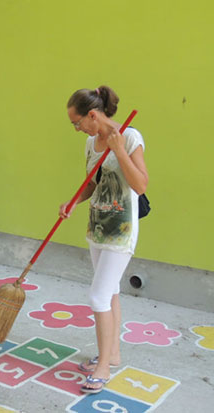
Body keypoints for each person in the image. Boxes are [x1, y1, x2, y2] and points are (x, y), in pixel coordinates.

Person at [60, 86, 148, 393]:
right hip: (97, 226)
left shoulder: (131, 137)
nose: (77, 128)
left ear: (93, 115)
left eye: (77, 122)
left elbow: (140, 184)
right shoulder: (90, 142)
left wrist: (120, 149)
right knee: (109, 292)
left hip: (121, 231)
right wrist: (73, 202)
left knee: (97, 296)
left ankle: (101, 369)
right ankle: (112, 355)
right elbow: (93, 183)